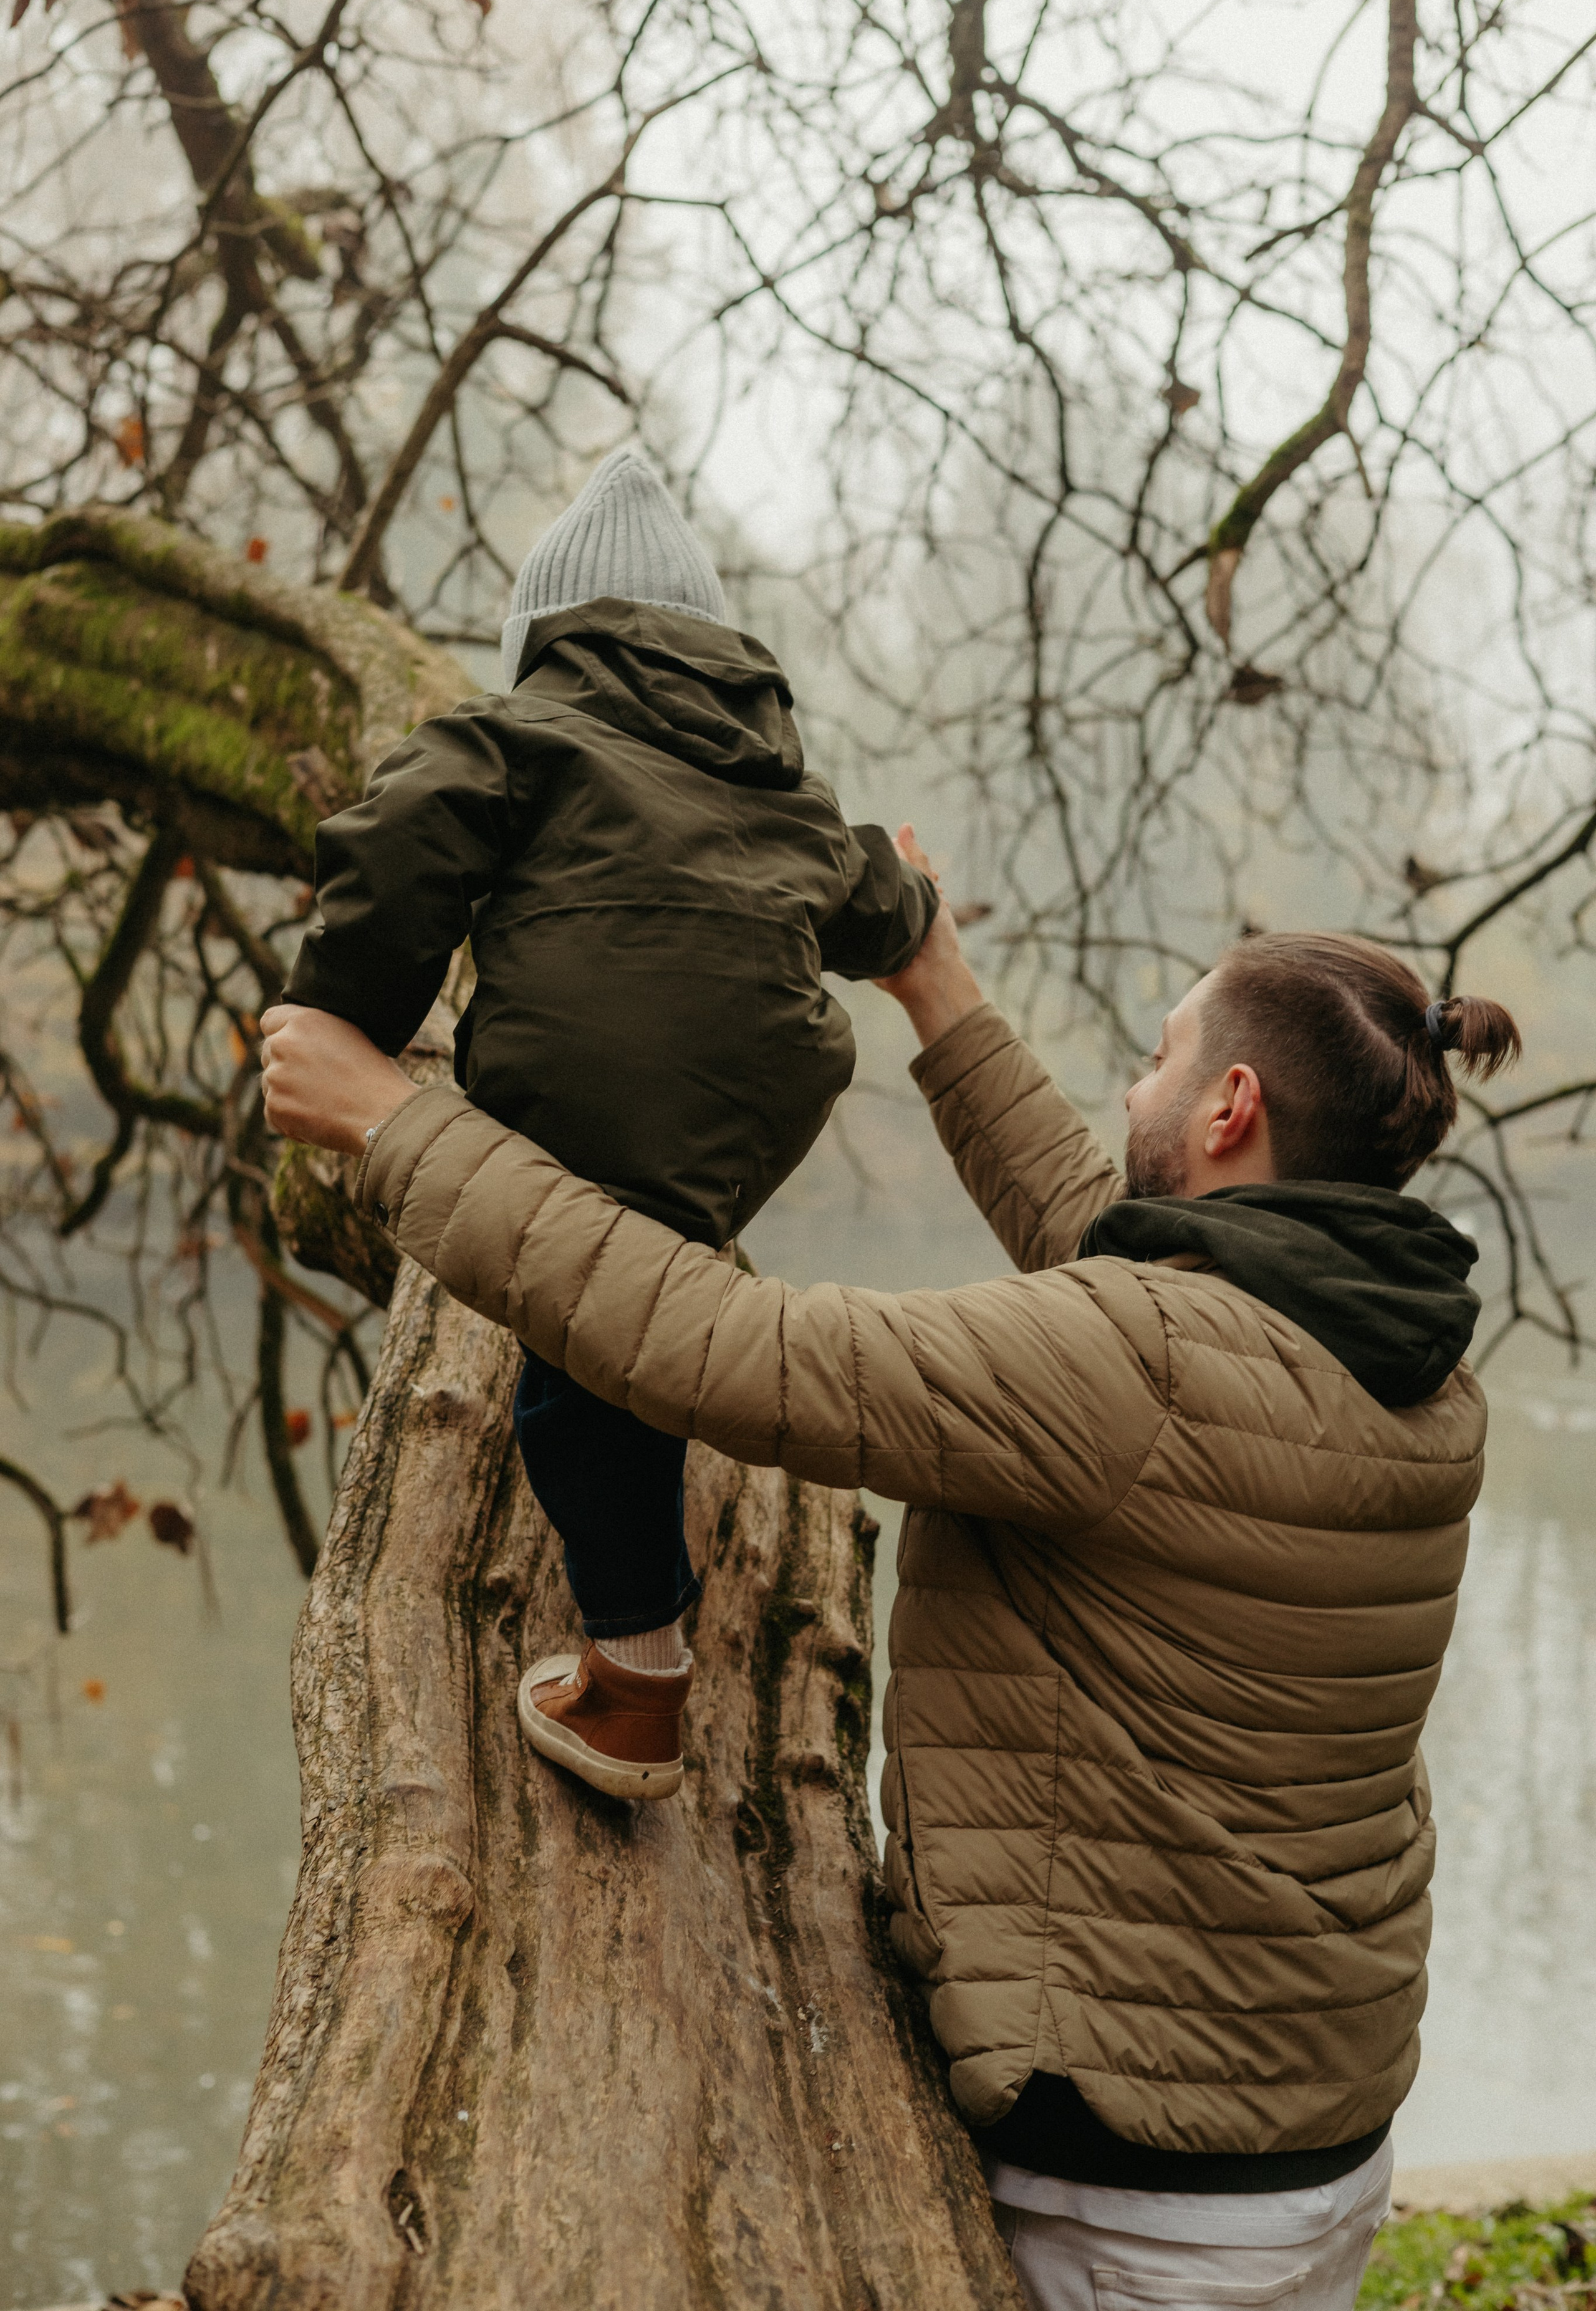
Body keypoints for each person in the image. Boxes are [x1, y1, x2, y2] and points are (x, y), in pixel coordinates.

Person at [261, 868, 1521, 2311]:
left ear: (1229, 1105)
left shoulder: (1143, 1363)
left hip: (1127, 2195)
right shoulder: (1407, 1364)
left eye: (1157, 1055)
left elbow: (724, 1347)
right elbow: (1108, 1248)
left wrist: (396, 1122)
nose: (1131, 1088)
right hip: (1301, 2135)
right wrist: (935, 988)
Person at [277, 446, 938, 1801]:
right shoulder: (783, 792)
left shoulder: (516, 734)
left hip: (587, 1066)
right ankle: (671, 1389)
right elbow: (879, 906)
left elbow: (398, 845)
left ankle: (637, 1680)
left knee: (578, 1359)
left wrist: (351, 1018)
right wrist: (915, 896)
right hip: (763, 1088)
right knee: (647, 1274)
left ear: (546, 643)